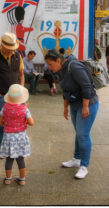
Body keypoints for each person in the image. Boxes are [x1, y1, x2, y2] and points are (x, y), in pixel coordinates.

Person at [44, 49, 99, 179]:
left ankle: (84, 166)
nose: (50, 68)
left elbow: (87, 87)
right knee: (78, 133)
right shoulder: (61, 70)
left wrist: (85, 107)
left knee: (83, 134)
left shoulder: (74, 66)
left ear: (58, 60)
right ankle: (76, 159)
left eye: (51, 64)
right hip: (74, 104)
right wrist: (65, 108)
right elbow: (66, 90)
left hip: (88, 104)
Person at [0, 84, 34, 186]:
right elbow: (31, 122)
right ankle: (22, 179)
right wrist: (23, 123)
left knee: (9, 159)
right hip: (21, 137)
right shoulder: (24, 109)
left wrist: (8, 124)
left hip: (8, 137)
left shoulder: (5, 108)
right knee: (20, 159)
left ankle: (8, 179)